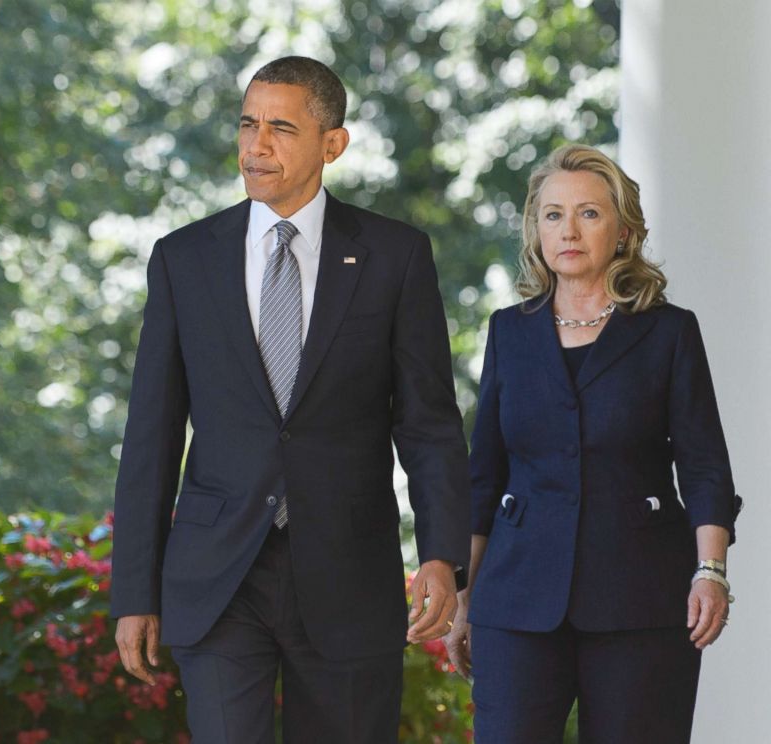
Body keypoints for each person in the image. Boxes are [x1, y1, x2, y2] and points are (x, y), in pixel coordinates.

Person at [110, 56, 469, 743]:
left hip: (348, 574)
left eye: (280, 128)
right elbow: (152, 435)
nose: (256, 146)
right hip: (219, 577)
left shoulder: (396, 257)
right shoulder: (183, 259)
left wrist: (441, 554)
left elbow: (427, 424)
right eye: (248, 125)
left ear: (333, 143)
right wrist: (134, 593)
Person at [443, 144, 741, 743]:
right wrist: (463, 594)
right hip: (517, 597)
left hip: (640, 600)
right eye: (553, 215)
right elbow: (485, 474)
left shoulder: (668, 331)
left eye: (589, 214)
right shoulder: (509, 330)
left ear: (623, 230)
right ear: (536, 230)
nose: (569, 230)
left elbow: (705, 466)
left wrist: (711, 570)